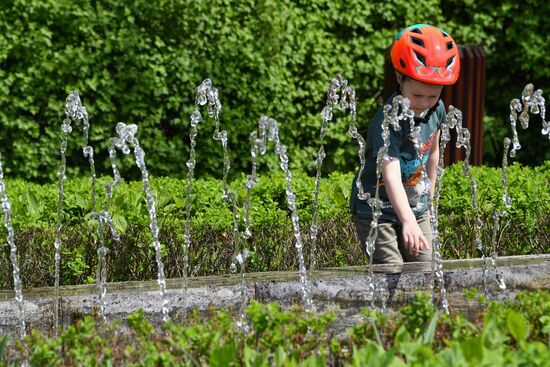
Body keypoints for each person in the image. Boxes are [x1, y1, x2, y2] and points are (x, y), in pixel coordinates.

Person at [349, 24, 460, 264]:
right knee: (391, 272)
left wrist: (428, 197)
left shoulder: (436, 109)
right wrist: (407, 220)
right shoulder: (387, 122)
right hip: (378, 211)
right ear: (400, 78)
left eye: (432, 96)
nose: (424, 103)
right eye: (417, 95)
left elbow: (433, 150)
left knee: (426, 267)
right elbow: (390, 175)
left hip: (415, 206)